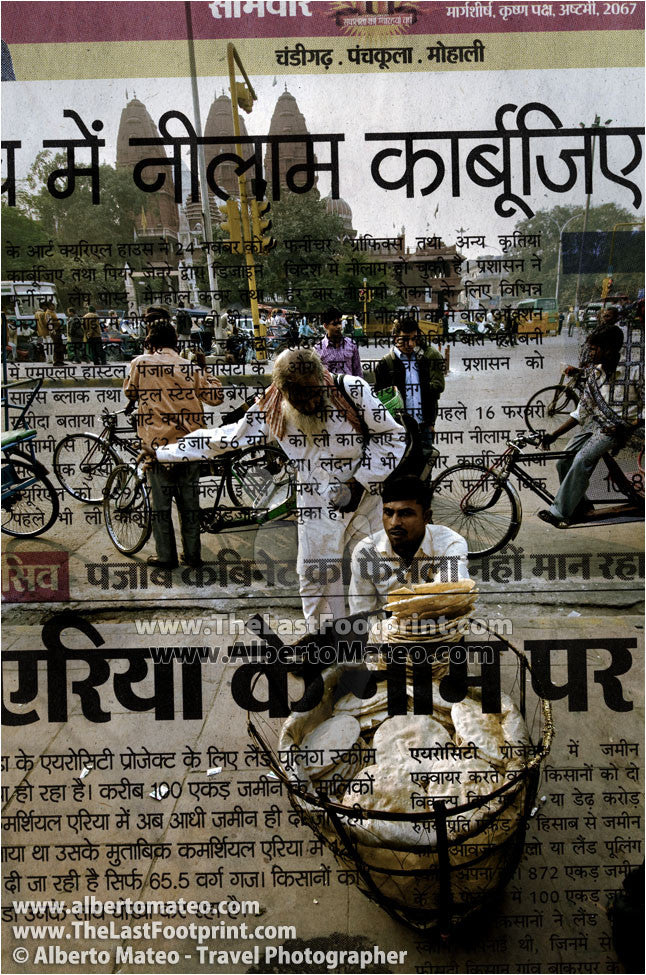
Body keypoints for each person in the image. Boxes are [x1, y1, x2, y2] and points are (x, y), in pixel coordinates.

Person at [157, 348, 406, 630]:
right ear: (283, 392)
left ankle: (393, 636)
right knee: (316, 579)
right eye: (300, 398)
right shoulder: (271, 408)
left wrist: (360, 482)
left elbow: (393, 435)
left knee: (381, 571)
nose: (311, 404)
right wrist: (163, 452)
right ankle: (323, 641)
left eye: (315, 393)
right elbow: (224, 438)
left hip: (365, 502)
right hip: (316, 505)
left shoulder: (351, 390)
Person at [123, 308, 223, 569]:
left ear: (150, 342)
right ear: (176, 343)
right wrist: (205, 370)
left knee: (161, 506)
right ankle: (193, 557)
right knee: (189, 506)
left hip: (157, 448)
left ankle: (166, 556)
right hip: (188, 447)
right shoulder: (189, 367)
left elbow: (129, 391)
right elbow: (215, 397)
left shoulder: (140, 364)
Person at [538, 323, 642, 528]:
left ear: (610, 349)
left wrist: (627, 428)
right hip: (596, 426)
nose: (590, 353)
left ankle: (560, 512)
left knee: (582, 460)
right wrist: (553, 434)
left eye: (595, 349)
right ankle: (579, 505)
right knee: (564, 462)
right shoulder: (595, 375)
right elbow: (582, 412)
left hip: (621, 430)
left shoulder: (636, 372)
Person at [349, 475, 469, 616]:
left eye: (405, 514)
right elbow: (362, 614)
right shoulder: (365, 552)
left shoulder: (450, 544)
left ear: (426, 517)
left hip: (439, 627)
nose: (394, 523)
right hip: (386, 633)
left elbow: (448, 593)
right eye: (388, 513)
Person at [375, 317, 445, 459]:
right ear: (396, 338)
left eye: (414, 339)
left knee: (424, 473)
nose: (410, 344)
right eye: (406, 339)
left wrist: (431, 422)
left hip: (423, 427)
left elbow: (430, 396)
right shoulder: (385, 365)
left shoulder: (423, 360)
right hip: (399, 429)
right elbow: (379, 401)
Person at [314, 307, 363, 377]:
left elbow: (358, 371)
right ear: (325, 326)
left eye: (340, 323)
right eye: (335, 324)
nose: (339, 326)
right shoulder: (318, 349)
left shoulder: (351, 344)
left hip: (350, 386)